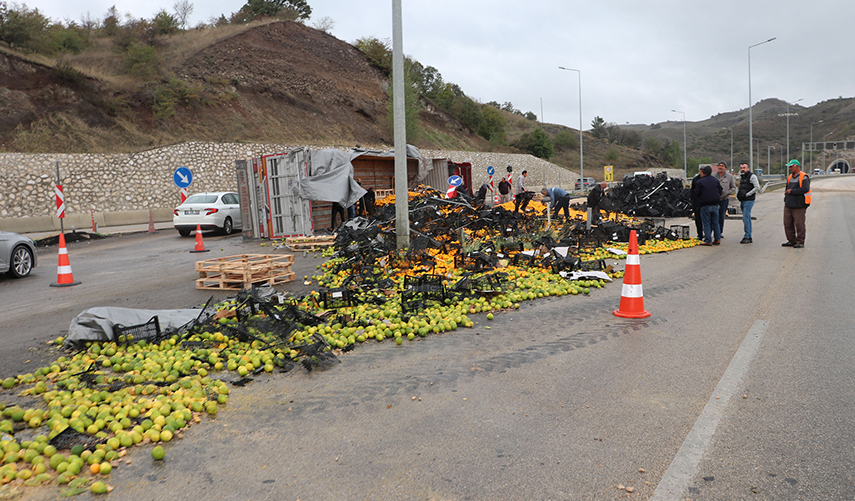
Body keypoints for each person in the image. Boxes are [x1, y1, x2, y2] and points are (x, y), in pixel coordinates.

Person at [782, 159, 811, 248]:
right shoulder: (790, 177)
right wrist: (786, 198)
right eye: (789, 167)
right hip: (788, 204)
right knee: (787, 224)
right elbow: (787, 189)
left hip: (799, 205)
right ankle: (791, 240)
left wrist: (792, 191)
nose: (790, 168)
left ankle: (800, 241)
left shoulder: (804, 177)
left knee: (799, 224)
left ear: (797, 166)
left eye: (791, 166)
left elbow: (805, 189)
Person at [692, 165, 722, 245]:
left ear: (703, 172)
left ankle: (708, 240)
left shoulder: (700, 182)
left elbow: (696, 193)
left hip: (705, 205)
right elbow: (720, 190)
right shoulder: (716, 180)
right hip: (715, 205)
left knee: (706, 223)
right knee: (716, 223)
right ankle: (717, 239)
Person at [736, 162, 760, 244]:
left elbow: (757, 187)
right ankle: (748, 235)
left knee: (746, 217)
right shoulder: (742, 177)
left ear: (748, 168)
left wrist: (748, 194)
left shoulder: (752, 176)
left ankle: (747, 236)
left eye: (744, 167)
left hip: (749, 200)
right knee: (747, 218)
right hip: (743, 200)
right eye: (741, 168)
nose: (742, 169)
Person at [714, 161, 736, 235]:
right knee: (714, 216)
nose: (720, 167)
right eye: (719, 165)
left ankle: (720, 232)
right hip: (714, 200)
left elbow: (733, 187)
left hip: (724, 200)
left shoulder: (729, 177)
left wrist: (728, 192)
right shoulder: (713, 176)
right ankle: (714, 232)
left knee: (721, 216)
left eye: (722, 166)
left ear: (725, 168)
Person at [689, 167, 703, 239]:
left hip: (705, 202)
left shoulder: (707, 179)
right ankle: (700, 234)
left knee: (705, 219)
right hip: (697, 202)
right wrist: (692, 199)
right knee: (698, 219)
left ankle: (706, 233)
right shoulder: (695, 179)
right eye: (700, 171)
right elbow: (692, 190)